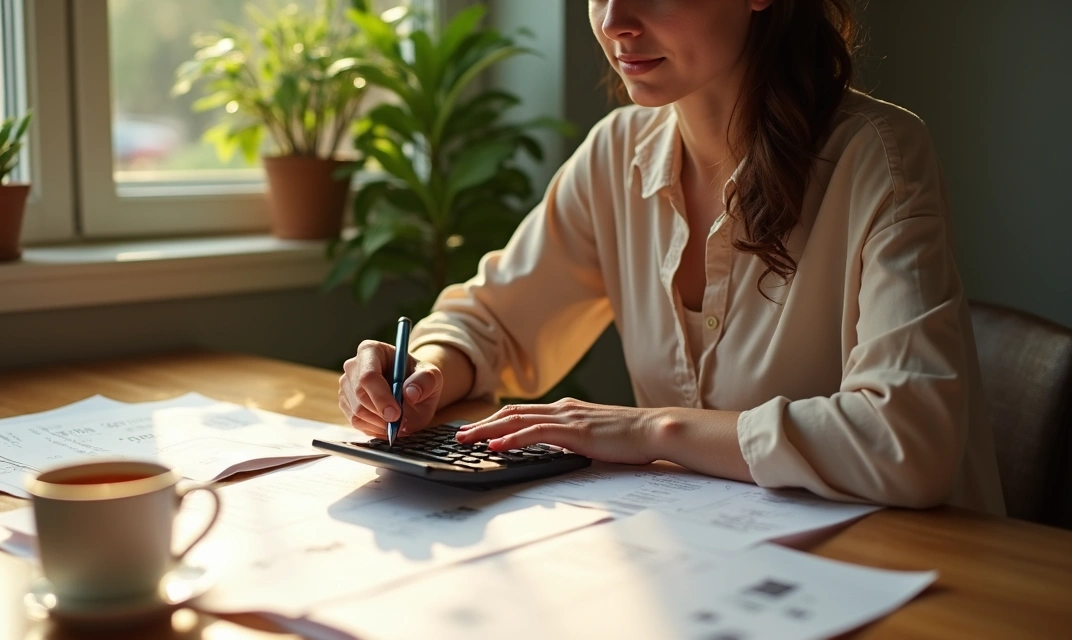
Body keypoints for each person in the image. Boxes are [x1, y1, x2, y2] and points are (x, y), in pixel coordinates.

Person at [338, 0, 1005, 514]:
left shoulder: (880, 157)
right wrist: (421, 374)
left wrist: (652, 430)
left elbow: (907, 442)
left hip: (915, 576)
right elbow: (493, 323)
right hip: (715, 565)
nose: (614, 21)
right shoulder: (616, 153)